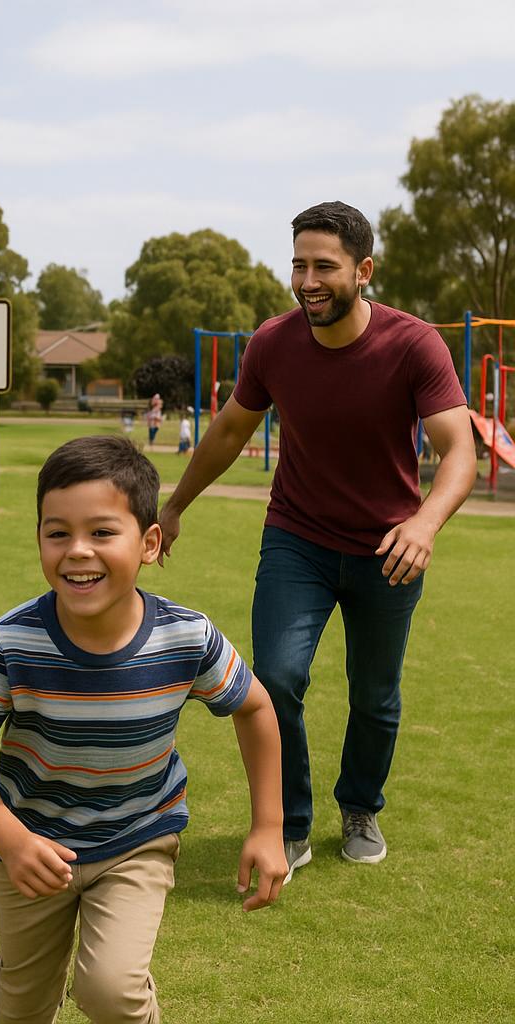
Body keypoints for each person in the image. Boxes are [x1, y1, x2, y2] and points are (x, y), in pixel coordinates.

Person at [158, 201, 476, 883]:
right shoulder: (273, 344)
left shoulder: (414, 344)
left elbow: (460, 450)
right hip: (297, 539)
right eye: (299, 265)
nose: (308, 281)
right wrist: (176, 505)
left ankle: (359, 808)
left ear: (363, 271)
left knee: (376, 695)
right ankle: (291, 822)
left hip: (389, 550)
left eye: (324, 266)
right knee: (275, 677)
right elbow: (229, 430)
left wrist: (424, 524)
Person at [0, 435, 285, 1024]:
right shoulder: (12, 642)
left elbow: (255, 708)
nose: (78, 551)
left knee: (110, 990)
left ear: (149, 543)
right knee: (22, 1005)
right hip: (32, 847)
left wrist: (269, 827)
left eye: (101, 532)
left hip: (137, 840)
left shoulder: (187, 636)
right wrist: (13, 841)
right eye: (57, 533)